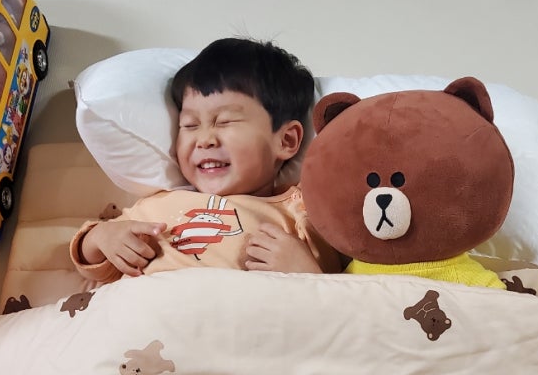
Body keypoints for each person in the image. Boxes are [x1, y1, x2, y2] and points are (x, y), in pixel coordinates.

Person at [70, 38, 341, 284]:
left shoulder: (301, 213)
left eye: (224, 122)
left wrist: (306, 274)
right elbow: (94, 263)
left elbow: (340, 296)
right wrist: (102, 238)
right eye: (189, 125)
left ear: (286, 140)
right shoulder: (158, 204)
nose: (204, 140)